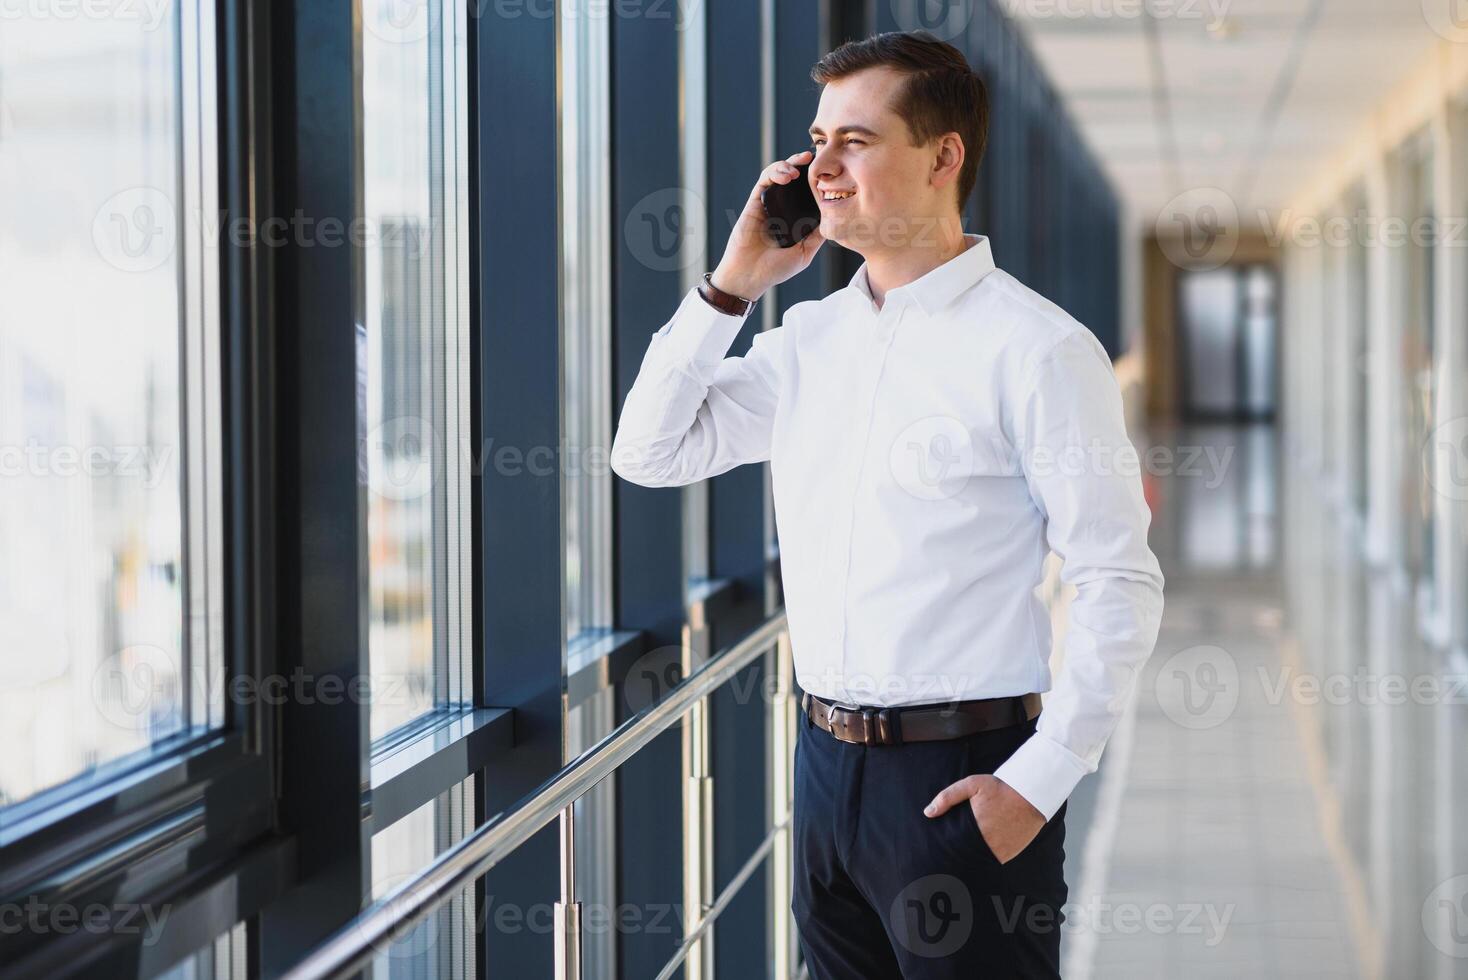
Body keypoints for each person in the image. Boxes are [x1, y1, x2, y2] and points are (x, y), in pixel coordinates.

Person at [609, 29, 1164, 979]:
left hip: (967, 777)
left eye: (855, 142)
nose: (819, 167)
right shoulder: (808, 341)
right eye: (816, 141)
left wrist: (1038, 782)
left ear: (943, 157)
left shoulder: (1035, 349)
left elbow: (1116, 578)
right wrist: (730, 287)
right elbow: (646, 453)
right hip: (825, 775)